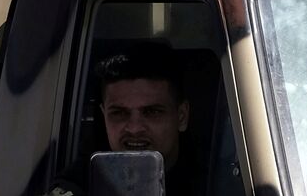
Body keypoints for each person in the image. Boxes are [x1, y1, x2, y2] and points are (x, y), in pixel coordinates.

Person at [53, 45, 206, 195]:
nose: (134, 128)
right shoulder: (85, 180)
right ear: (104, 115)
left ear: (181, 117)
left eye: (152, 112)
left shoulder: (212, 178)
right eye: (119, 113)